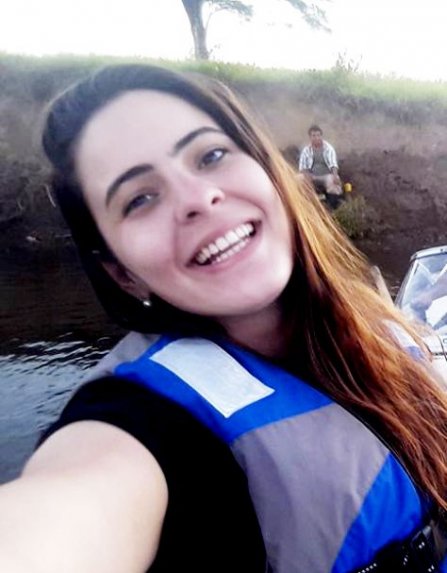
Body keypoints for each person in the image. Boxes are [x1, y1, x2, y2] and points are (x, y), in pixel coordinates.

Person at [1, 65, 447, 573]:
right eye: (139, 199)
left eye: (211, 155)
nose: (198, 198)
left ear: (269, 171)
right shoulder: (137, 425)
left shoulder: (383, 331)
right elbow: (57, 524)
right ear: (123, 274)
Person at [298, 124, 343, 206]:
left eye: (318, 135)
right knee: (298, 179)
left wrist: (335, 176)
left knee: (332, 181)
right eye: (313, 136)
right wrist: (307, 176)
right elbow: (302, 167)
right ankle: (304, 203)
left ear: (321, 136)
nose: (316, 138)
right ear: (310, 137)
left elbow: (333, 164)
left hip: (326, 175)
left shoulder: (328, 148)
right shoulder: (306, 150)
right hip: (312, 176)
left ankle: (332, 205)